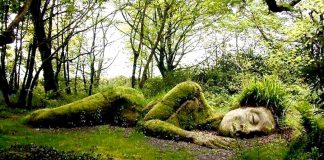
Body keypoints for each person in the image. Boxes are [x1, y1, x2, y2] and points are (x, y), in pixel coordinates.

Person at [25, 81, 276, 148]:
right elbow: (147, 123)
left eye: (254, 134)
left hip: (114, 119)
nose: (247, 129)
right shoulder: (192, 92)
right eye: (252, 120)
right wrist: (191, 137)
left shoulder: (210, 126)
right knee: (45, 118)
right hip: (121, 102)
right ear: (241, 106)